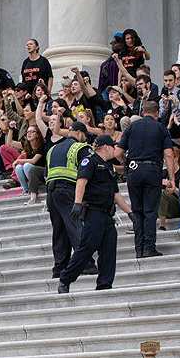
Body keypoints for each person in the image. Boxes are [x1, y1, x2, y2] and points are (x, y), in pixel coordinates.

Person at [57, 135, 133, 293]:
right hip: (93, 213)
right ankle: (65, 278)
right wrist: (77, 203)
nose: (115, 150)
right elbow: (81, 181)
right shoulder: (89, 161)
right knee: (87, 248)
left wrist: (130, 213)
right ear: (106, 147)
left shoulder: (109, 167)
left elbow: (116, 194)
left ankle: (104, 284)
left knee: (109, 250)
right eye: (113, 146)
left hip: (107, 215)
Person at [115, 101, 176, 258]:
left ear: (142, 112)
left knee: (137, 210)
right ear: (156, 113)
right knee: (150, 210)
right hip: (152, 169)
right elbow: (169, 154)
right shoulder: (161, 128)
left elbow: (117, 153)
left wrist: (127, 163)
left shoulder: (132, 127)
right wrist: (171, 178)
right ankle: (149, 247)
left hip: (134, 171)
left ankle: (138, 248)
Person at [45, 121, 96, 278]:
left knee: (59, 230)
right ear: (80, 133)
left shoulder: (52, 149)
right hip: (67, 190)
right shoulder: (81, 147)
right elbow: (90, 169)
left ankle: (60, 267)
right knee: (75, 226)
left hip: (51, 193)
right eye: (85, 136)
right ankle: (85, 263)